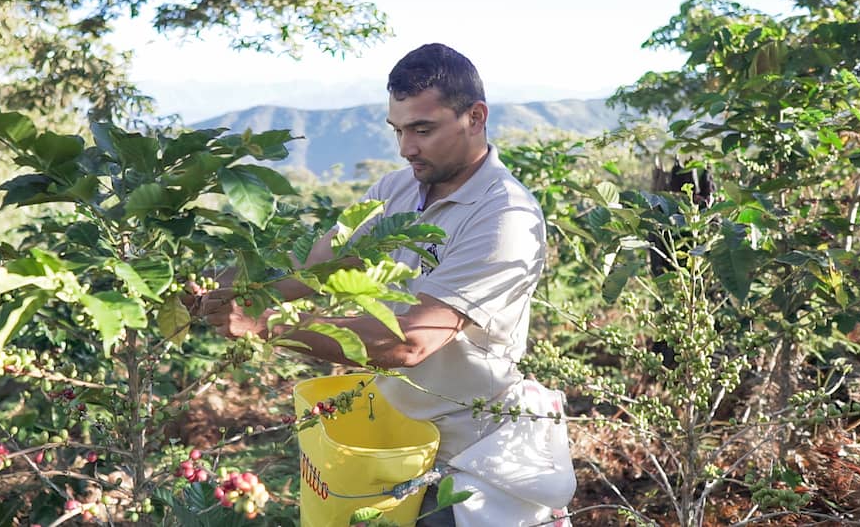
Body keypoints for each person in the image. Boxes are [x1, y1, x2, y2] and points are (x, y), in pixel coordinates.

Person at [195, 43, 576, 526]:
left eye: (423, 129)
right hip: (393, 440)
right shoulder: (396, 190)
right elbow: (318, 268)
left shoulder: (504, 217)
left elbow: (411, 341)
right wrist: (231, 286)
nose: (405, 148)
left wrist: (262, 323)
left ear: (475, 117)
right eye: (398, 130)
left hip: (469, 457)